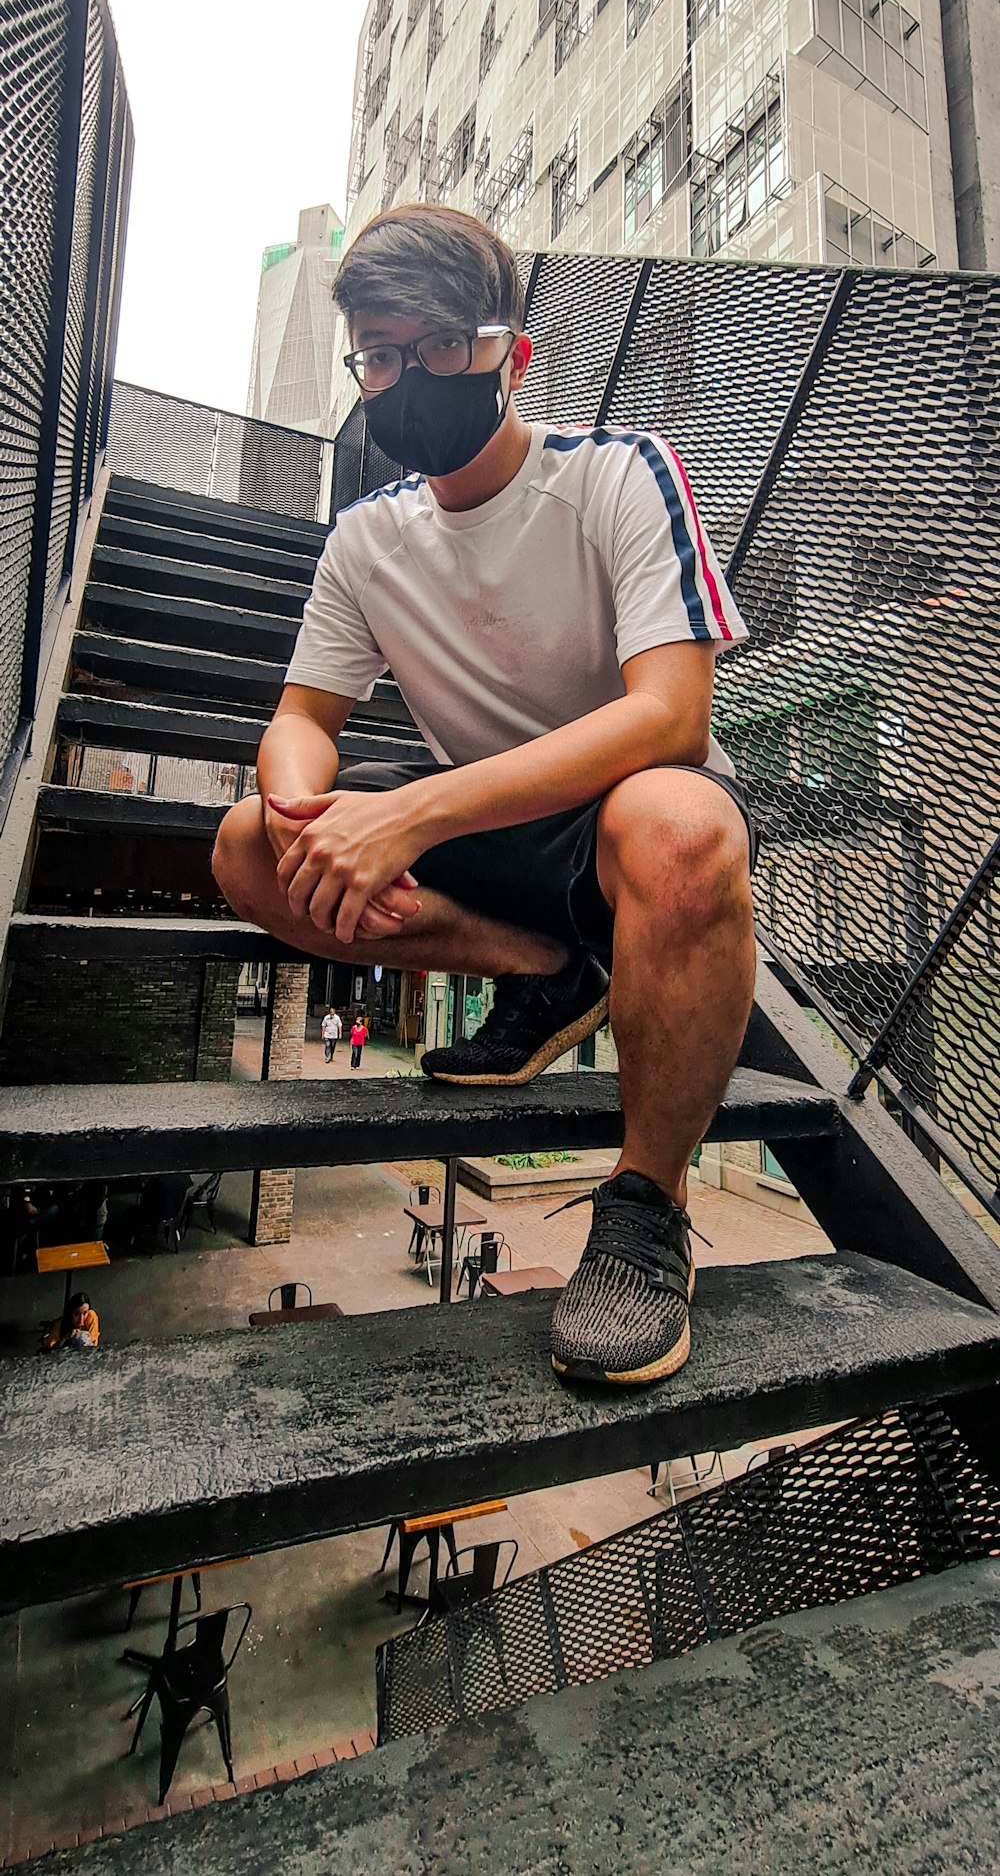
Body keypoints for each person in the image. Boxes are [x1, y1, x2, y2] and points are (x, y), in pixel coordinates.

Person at [213, 204, 756, 1388]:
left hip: (625, 827)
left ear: (508, 351)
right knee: (247, 845)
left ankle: (644, 1207)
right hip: (493, 838)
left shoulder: (620, 474)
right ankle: (544, 972)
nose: (398, 382)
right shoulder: (364, 542)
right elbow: (303, 720)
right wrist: (311, 820)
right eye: (376, 356)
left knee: (677, 819)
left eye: (427, 349)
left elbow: (673, 715)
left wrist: (412, 813)